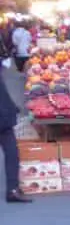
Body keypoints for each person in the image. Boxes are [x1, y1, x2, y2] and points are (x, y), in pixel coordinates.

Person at [0, 62, 31, 203]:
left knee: (12, 153)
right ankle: (12, 189)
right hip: (3, 118)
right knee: (12, 153)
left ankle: (13, 189)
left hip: (4, 115)